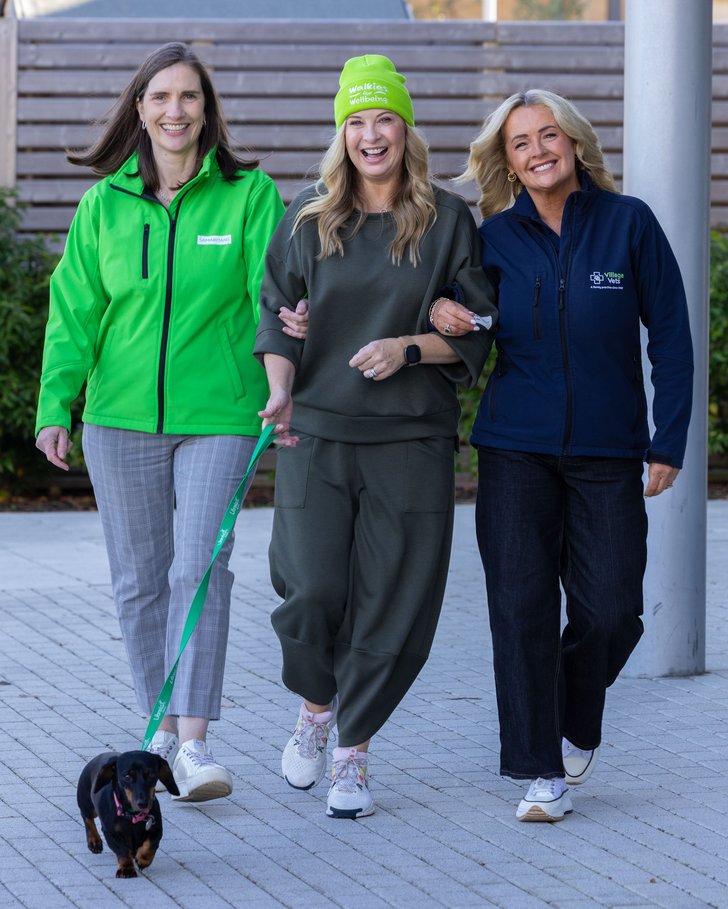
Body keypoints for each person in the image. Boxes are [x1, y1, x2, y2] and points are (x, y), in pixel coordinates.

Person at [430, 89, 694, 822]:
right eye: (521, 142)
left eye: (550, 135)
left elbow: (671, 335)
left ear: (576, 144)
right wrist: (440, 310)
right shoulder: (493, 237)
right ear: (506, 161)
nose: (538, 149)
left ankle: (576, 716)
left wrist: (667, 438)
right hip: (513, 449)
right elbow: (452, 305)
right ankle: (538, 769)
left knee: (613, 609)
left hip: (609, 451)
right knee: (520, 610)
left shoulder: (628, 224)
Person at [35, 42, 288, 802]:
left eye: (189, 97)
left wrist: (283, 384)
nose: (175, 111)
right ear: (138, 110)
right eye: (160, 98)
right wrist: (57, 403)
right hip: (118, 417)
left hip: (220, 412)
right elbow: (74, 311)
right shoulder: (104, 205)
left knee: (199, 567)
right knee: (138, 581)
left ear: (207, 110)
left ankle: (194, 739)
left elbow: (273, 298)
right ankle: (160, 731)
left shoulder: (249, 195)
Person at [254, 54, 497, 819]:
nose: (370, 135)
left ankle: (353, 749)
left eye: (383, 118)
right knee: (309, 588)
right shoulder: (307, 217)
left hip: (412, 438)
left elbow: (479, 329)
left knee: (396, 597)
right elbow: (276, 312)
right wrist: (279, 390)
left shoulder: (449, 218)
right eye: (356, 121)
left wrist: (411, 345)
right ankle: (317, 703)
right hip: (316, 432)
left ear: (405, 127)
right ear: (341, 133)